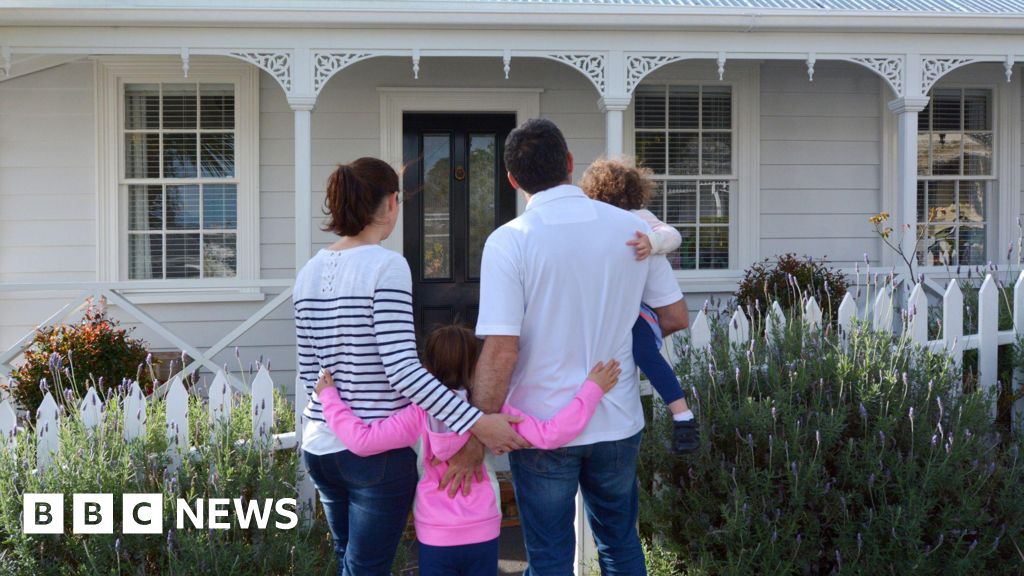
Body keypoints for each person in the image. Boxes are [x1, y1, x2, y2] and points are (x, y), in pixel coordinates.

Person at [439, 118, 690, 575]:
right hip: (616, 419)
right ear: (570, 163)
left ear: (512, 179)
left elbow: (501, 350)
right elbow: (673, 316)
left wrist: (476, 434)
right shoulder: (632, 230)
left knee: (549, 558)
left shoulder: (510, 241)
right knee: (620, 546)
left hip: (539, 426)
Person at [293, 157, 529, 576]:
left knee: (348, 560)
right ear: (390, 203)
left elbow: (310, 372)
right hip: (375, 458)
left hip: (321, 447)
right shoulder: (386, 266)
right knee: (366, 568)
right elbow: (403, 371)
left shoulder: (307, 273)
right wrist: (476, 422)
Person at [314, 324, 622, 576]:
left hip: (434, 532)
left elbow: (362, 441)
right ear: (477, 368)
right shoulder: (493, 414)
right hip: (482, 529)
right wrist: (592, 389)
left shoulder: (418, 414)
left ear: (426, 368)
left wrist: (329, 397)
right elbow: (551, 434)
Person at [580, 158, 700, 455]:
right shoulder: (594, 224)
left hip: (638, 309)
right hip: (609, 308)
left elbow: (673, 235)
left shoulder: (638, 218)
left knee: (644, 352)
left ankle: (683, 415)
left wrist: (652, 242)